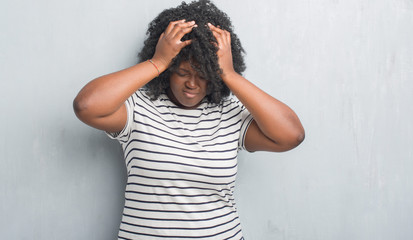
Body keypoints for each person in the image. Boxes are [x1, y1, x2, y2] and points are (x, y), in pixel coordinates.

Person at [73, 0, 304, 239]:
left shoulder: (229, 114)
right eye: (182, 72)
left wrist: (229, 74)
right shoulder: (137, 108)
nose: (192, 84)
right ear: (169, 71)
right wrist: (158, 61)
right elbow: (87, 105)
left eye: (203, 75)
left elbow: (291, 135)